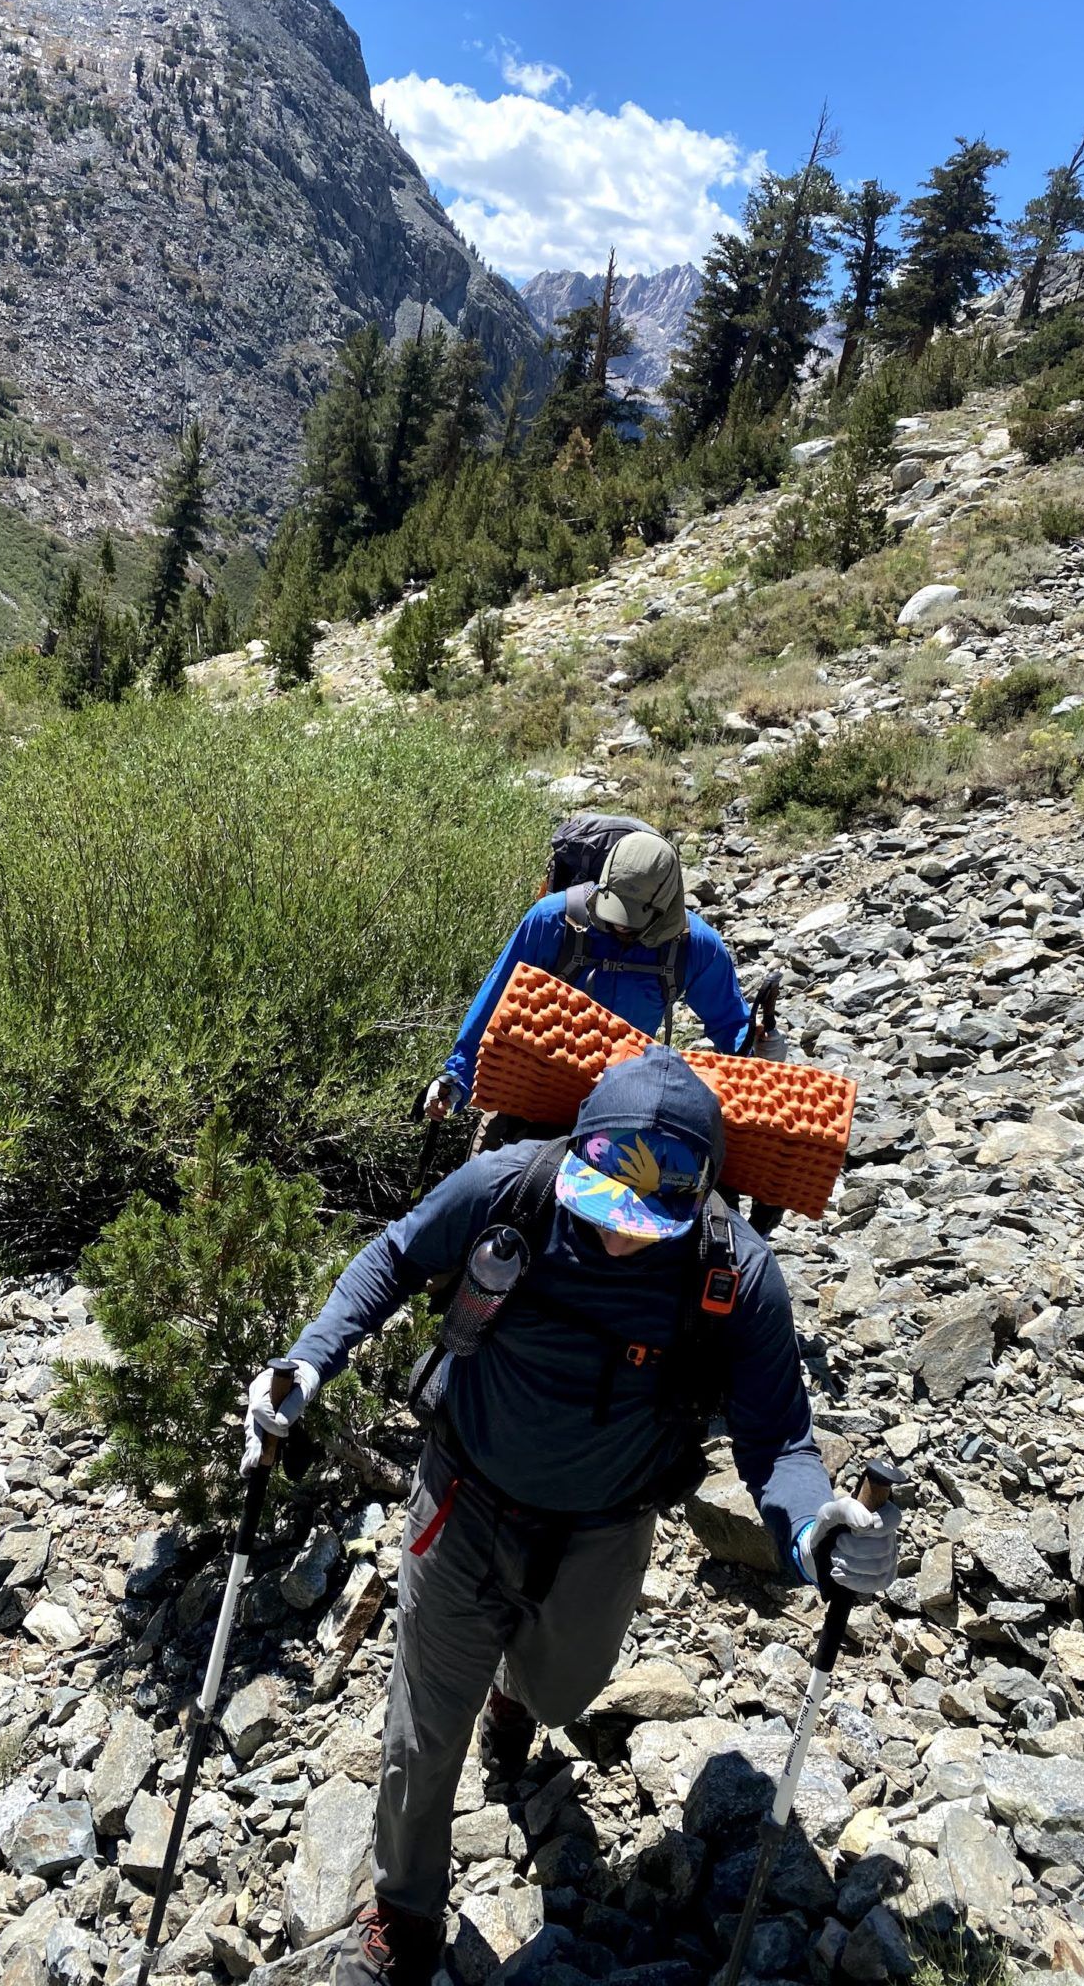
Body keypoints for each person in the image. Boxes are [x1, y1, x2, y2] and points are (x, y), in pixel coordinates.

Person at [241, 1047, 900, 1986]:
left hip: (607, 1527)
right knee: (424, 1730)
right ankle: (403, 1918)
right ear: (577, 1156)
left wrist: (813, 1534)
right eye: (606, 1209)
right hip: (461, 1499)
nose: (623, 1238)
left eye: (648, 1222)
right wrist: (309, 1361)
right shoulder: (507, 1190)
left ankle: (517, 1696)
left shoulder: (736, 1275)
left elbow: (779, 1442)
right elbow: (392, 1258)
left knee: (563, 1695)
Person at [422, 831, 751, 1126]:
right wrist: (456, 1078)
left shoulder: (695, 946)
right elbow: (493, 1005)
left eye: (632, 920)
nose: (620, 926)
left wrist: (759, 1050)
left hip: (622, 1107)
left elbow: (731, 1026)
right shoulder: (552, 920)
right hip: (531, 1096)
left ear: (665, 905)